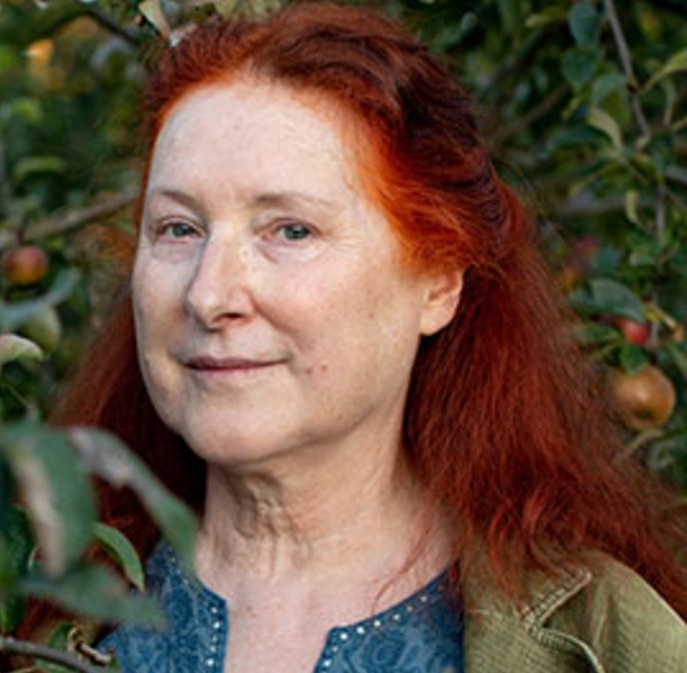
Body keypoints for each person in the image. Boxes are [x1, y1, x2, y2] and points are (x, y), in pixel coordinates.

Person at [51, 3, 687, 671]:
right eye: (179, 229)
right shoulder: (23, 599)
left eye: (290, 230)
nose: (209, 294)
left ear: (439, 281)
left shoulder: (603, 639)